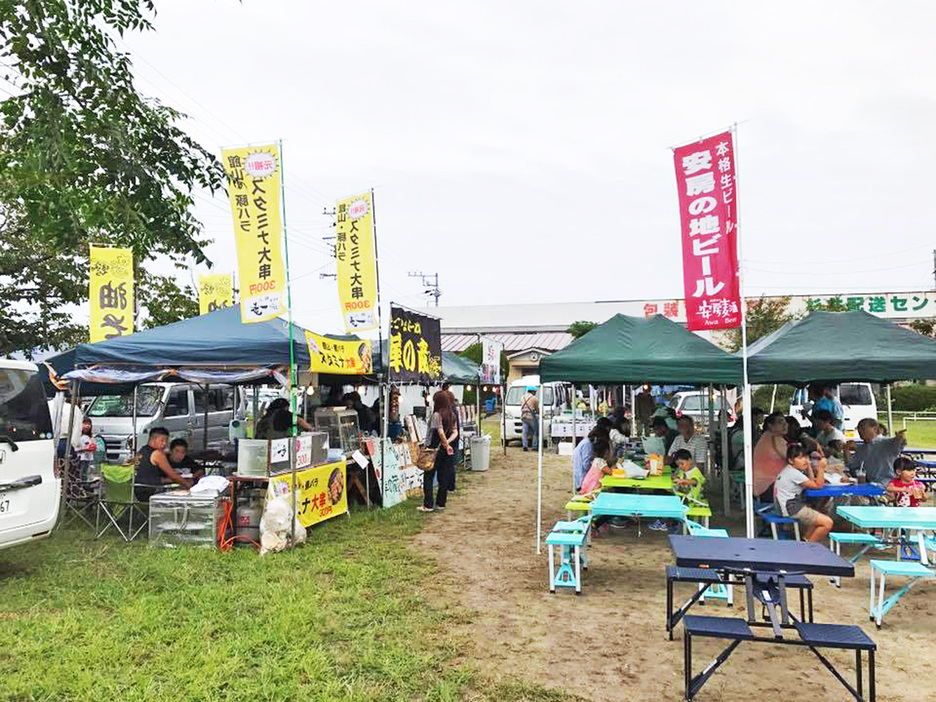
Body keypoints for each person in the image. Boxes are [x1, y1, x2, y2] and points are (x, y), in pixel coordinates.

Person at [774, 442, 833, 542]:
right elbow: (818, 485)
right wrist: (821, 468)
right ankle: (807, 547)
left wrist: (808, 466)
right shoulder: (793, 473)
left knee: (817, 511)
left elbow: (811, 481)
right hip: (791, 508)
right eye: (800, 458)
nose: (805, 460)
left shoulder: (791, 470)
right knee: (827, 523)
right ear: (791, 460)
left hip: (787, 507)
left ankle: (805, 540)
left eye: (805, 457)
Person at [418, 391, 458, 513]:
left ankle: (428, 504)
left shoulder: (437, 415)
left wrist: (444, 442)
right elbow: (455, 432)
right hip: (445, 450)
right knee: (443, 476)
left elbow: (440, 431)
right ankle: (441, 503)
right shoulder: (452, 415)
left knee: (429, 476)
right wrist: (447, 443)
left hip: (433, 449)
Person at [650, 448, 705, 532]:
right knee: (659, 492)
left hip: (691, 500)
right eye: (678, 465)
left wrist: (683, 481)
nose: (680, 466)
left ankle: (664, 522)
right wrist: (676, 478)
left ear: (689, 460)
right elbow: (679, 478)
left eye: (682, 464)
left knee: (669, 500)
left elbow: (694, 481)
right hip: (681, 496)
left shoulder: (695, 472)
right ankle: (663, 520)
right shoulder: (682, 471)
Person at [134, 427, 191, 502]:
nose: (164, 444)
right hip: (151, 491)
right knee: (183, 487)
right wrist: (189, 485)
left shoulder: (141, 451)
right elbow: (172, 475)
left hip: (137, 490)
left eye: (166, 441)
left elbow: (147, 475)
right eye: (162, 440)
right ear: (153, 439)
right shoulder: (157, 454)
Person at [846, 418, 907, 486]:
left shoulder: (887, 442)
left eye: (863, 428)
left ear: (875, 429)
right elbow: (851, 466)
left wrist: (900, 438)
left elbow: (898, 443)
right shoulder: (862, 448)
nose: (860, 431)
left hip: (888, 485)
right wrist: (846, 449)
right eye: (858, 429)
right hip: (869, 485)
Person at [579, 436, 617, 535]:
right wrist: (616, 464)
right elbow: (612, 472)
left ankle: (599, 523)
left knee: (611, 494)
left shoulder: (597, 460)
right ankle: (596, 523)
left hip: (588, 489)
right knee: (612, 506)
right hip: (593, 492)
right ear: (605, 452)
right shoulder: (601, 462)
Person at [752, 412, 789, 502]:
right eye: (780, 422)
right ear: (770, 426)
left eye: (785, 422)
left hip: (761, 488)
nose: (785, 425)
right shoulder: (775, 438)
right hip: (769, 487)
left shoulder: (766, 437)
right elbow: (793, 460)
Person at [572, 418, 612, 491]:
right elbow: (586, 464)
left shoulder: (587, 442)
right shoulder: (588, 445)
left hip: (585, 479)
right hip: (583, 480)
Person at [520, 386, 539, 452]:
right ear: (533, 391)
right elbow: (537, 409)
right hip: (531, 417)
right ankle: (534, 446)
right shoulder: (534, 398)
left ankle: (525, 446)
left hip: (524, 417)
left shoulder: (522, 397)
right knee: (535, 431)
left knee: (524, 432)